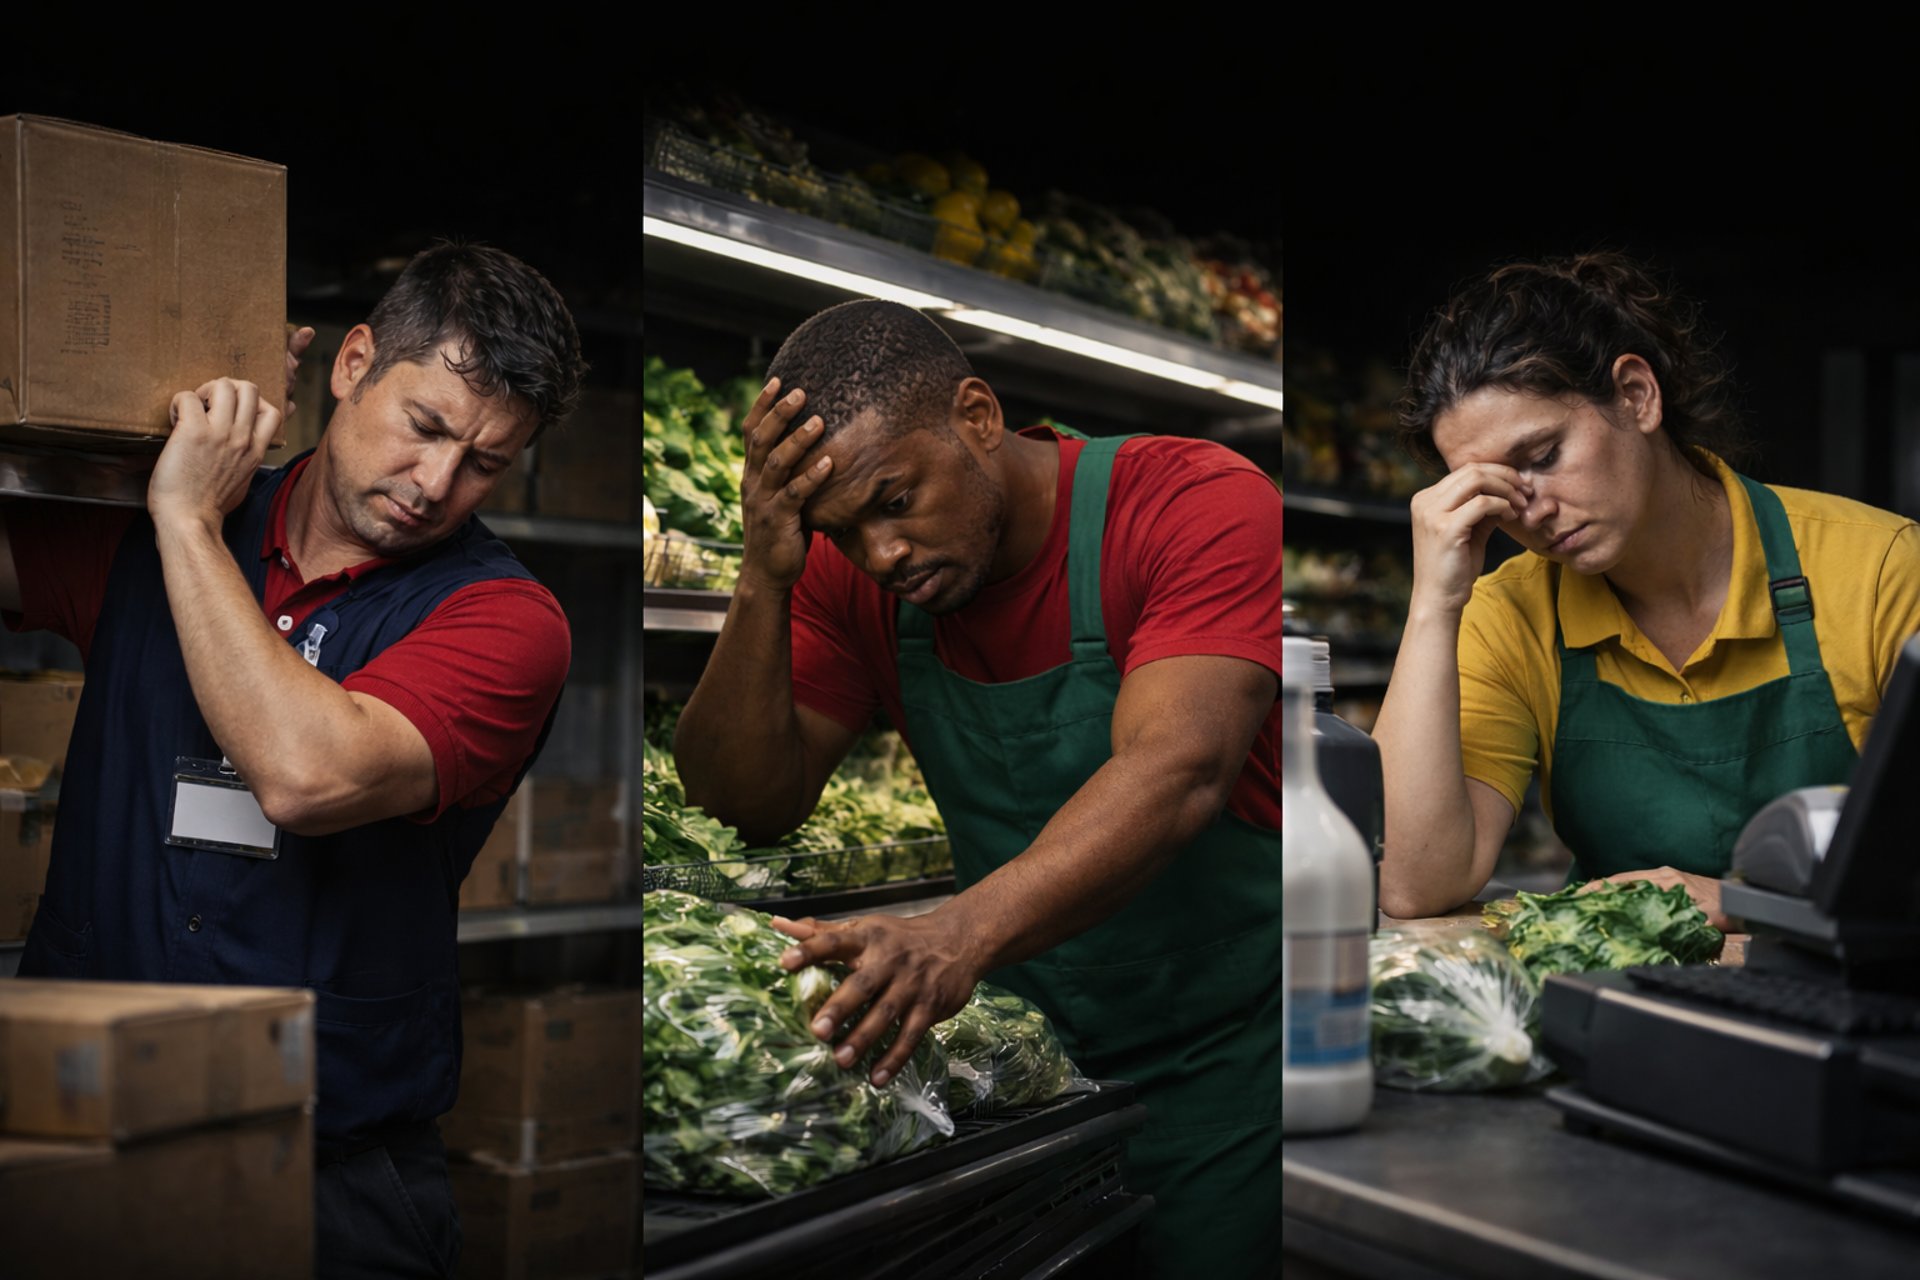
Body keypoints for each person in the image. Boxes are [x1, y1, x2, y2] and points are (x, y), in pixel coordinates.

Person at [0, 241, 585, 1278]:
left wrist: (186, 516)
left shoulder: (506, 619)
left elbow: (305, 773)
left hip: (336, 1179)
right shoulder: (139, 526)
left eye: (487, 462)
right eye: (428, 426)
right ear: (352, 361)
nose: (438, 482)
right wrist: (98, 401)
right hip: (75, 1126)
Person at [672, 298, 1284, 1278]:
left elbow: (1179, 772)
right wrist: (765, 576)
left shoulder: (1189, 499)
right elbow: (746, 801)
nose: (882, 555)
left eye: (894, 500)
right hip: (1020, 1074)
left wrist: (958, 930)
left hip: (1225, 1068)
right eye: (843, 530)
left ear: (978, 418)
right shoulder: (851, 577)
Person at [1372, 251, 1920, 928]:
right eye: (1497, 493)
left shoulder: (1881, 570)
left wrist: (1744, 908)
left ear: (1636, 395)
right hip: (1617, 995)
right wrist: (1433, 603)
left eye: (1542, 457)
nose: (1530, 511)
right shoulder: (1510, 612)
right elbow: (1415, 886)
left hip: (1845, 1000)